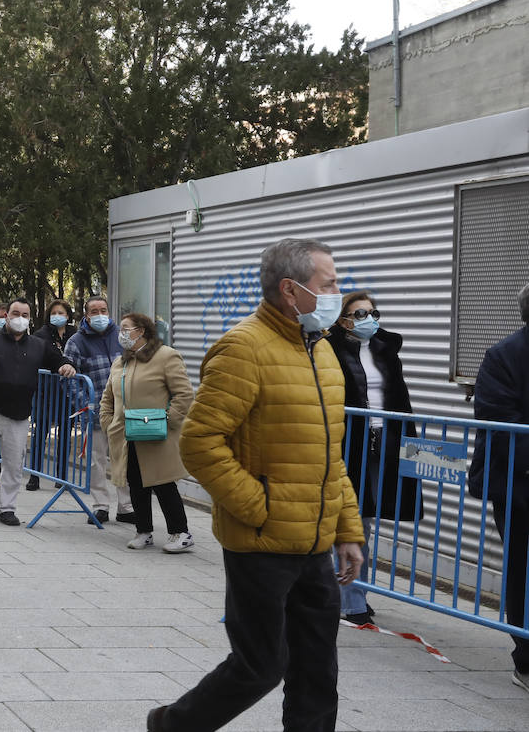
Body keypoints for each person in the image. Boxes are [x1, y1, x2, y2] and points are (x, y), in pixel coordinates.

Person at [148, 238, 364, 732]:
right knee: (261, 665)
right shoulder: (243, 347)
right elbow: (200, 443)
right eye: (329, 283)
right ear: (292, 291)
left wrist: (348, 529)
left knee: (317, 672)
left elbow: (329, 456)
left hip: (316, 542)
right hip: (261, 543)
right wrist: (260, 505)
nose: (338, 292)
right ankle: (171, 725)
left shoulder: (323, 351)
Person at [326, 290, 421, 626]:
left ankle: (353, 593)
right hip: (348, 442)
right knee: (355, 519)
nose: (371, 320)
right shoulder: (329, 349)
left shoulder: (385, 350)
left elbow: (401, 397)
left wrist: (412, 443)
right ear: (344, 320)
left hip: (385, 441)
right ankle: (352, 602)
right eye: (361, 314)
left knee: (369, 515)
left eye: (374, 313)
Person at [0, 298, 76, 525]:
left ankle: (7, 508)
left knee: (14, 463)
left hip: (20, 413)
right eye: (15, 313)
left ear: (30, 319)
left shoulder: (38, 345)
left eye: (25, 315)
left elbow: (57, 359)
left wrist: (65, 364)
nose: (19, 319)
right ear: (6, 315)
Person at [470, 281, 529, 694]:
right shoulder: (504, 355)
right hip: (520, 487)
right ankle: (525, 660)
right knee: (525, 571)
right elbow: (500, 427)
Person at [100, 312, 195, 553]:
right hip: (126, 434)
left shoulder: (166, 356)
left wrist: (167, 421)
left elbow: (184, 394)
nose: (121, 334)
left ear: (141, 331)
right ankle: (144, 531)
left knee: (163, 482)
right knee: (136, 483)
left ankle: (181, 533)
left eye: (126, 328)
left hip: (156, 434)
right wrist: (108, 422)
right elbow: (107, 397)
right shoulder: (121, 362)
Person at [64, 296, 135, 524]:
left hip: (124, 411)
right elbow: (69, 379)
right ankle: (101, 505)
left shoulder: (121, 336)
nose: (100, 315)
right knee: (96, 461)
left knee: (123, 460)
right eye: (94, 311)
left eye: (103, 309)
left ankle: (126, 507)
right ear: (86, 315)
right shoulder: (76, 342)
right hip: (95, 412)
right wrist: (85, 404)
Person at [27, 299, 77, 491]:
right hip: (45, 391)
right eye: (54, 312)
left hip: (67, 393)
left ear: (68, 315)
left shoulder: (74, 334)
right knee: (41, 433)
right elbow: (43, 357)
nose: (58, 316)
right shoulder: (42, 334)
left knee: (65, 434)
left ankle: (61, 477)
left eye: (62, 312)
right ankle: (35, 476)